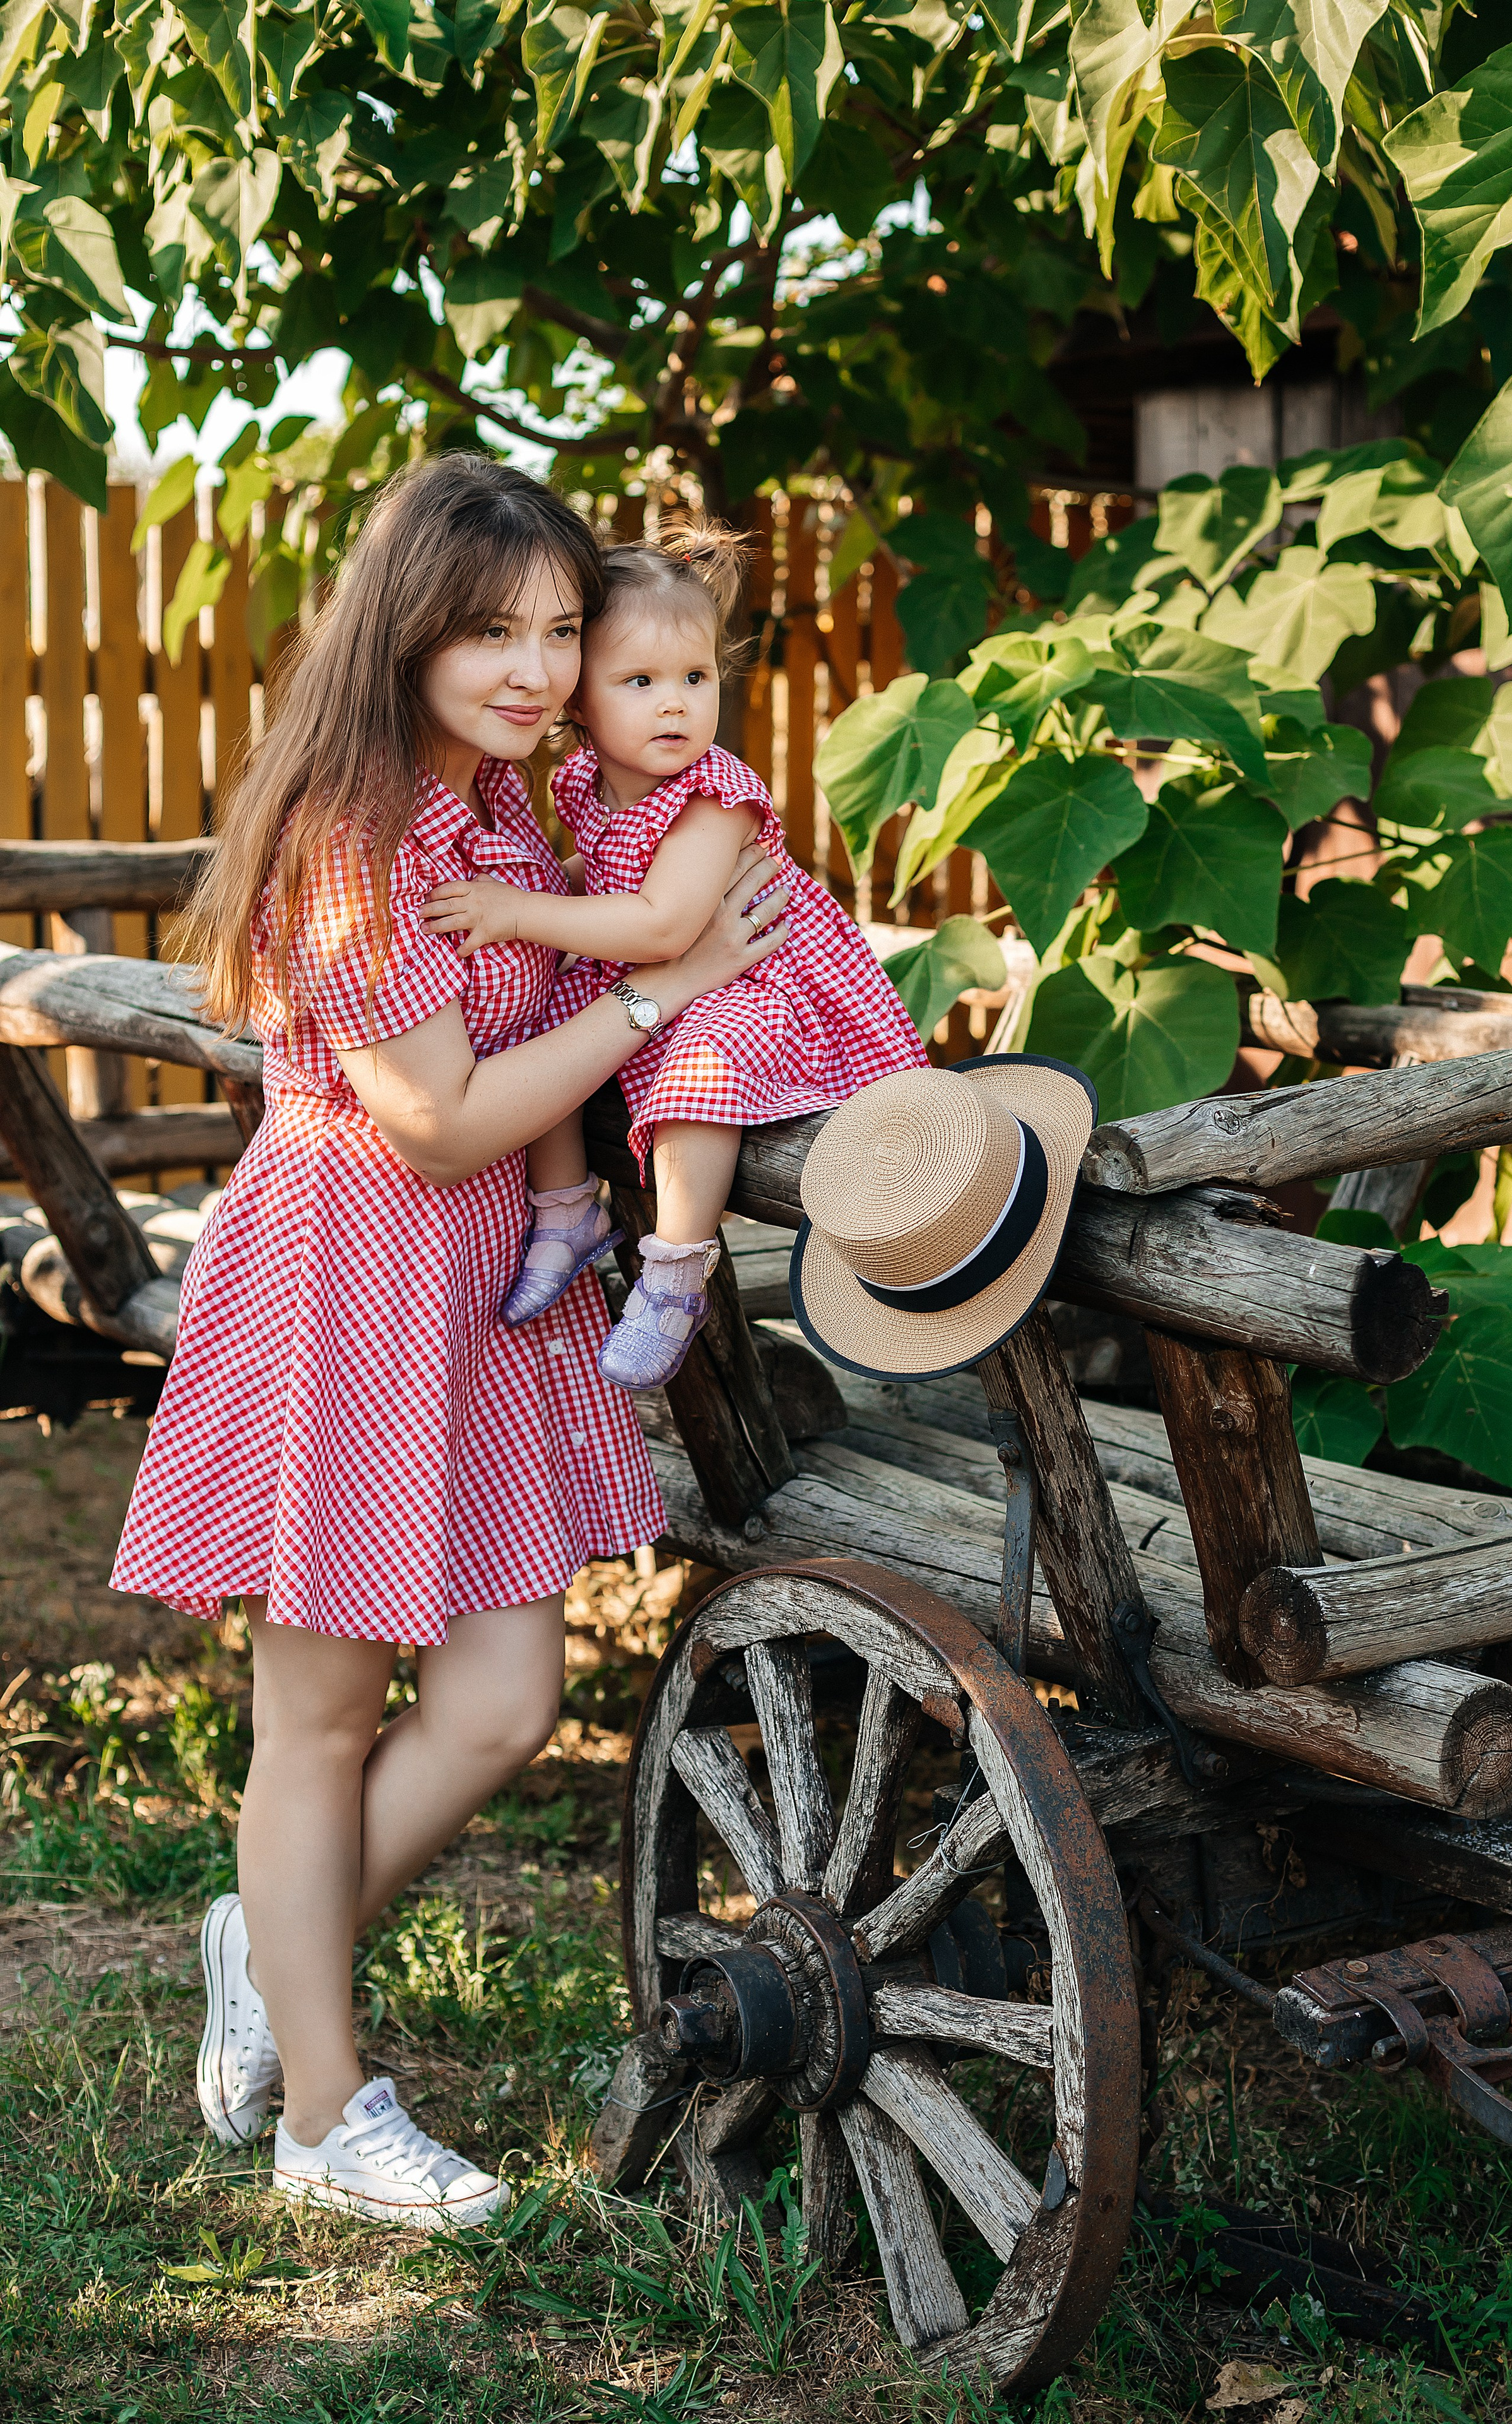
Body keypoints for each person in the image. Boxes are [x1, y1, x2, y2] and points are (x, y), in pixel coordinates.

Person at [109, 454, 788, 2229]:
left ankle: (270, 1934)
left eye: (564, 630)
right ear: (404, 630)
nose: (540, 668)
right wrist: (666, 986)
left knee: (499, 1704)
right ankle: (329, 2118)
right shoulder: (351, 840)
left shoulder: (502, 821)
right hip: (350, 1280)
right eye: (493, 631)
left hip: (486, 1293)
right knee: (322, 1717)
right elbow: (441, 1120)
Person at [420, 523, 929, 1389]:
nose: (675, 704)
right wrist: (557, 889)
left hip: (754, 980)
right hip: (674, 972)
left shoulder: (713, 794)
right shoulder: (584, 780)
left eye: (695, 679)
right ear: (580, 701)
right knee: (546, 1025)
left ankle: (675, 1272)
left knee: (703, 1070)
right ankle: (565, 1211)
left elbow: (663, 925)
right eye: (641, 682)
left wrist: (518, 910)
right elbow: (611, 873)